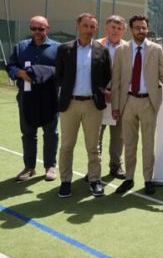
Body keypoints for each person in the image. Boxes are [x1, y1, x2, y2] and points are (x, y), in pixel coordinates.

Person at [111, 14, 163, 195]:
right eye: (137, 28)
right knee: (129, 143)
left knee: (148, 143)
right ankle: (129, 178)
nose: (141, 31)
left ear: (147, 29)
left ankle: (148, 180)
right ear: (131, 29)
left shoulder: (156, 49)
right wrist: (115, 106)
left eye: (144, 28)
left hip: (149, 102)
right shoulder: (121, 50)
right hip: (127, 101)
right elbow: (116, 80)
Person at [55, 13, 111, 198]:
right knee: (66, 146)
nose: (89, 30)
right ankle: (65, 182)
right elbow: (59, 75)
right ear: (77, 26)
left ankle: (95, 181)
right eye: (85, 25)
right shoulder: (65, 49)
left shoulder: (101, 50)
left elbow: (107, 75)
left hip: (92, 105)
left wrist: (101, 91)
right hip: (69, 104)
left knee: (93, 147)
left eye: (92, 26)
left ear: (96, 29)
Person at [6, 16, 60, 182]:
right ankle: (29, 167)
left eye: (41, 29)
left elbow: (63, 70)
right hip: (27, 97)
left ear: (48, 28)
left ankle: (50, 166)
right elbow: (10, 66)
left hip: (50, 97)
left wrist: (42, 72)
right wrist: (20, 73)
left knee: (50, 132)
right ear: (30, 29)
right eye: (34, 29)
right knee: (28, 133)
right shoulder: (21, 47)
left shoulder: (57, 48)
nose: (37, 32)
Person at [96, 15, 127, 180]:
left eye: (119, 28)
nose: (115, 30)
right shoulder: (95, 44)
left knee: (118, 136)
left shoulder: (129, 48)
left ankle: (116, 166)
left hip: (119, 98)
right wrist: (102, 90)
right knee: (95, 135)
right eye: (112, 27)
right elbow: (89, 72)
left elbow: (130, 75)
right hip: (98, 96)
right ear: (106, 28)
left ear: (123, 31)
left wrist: (115, 92)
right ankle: (94, 168)